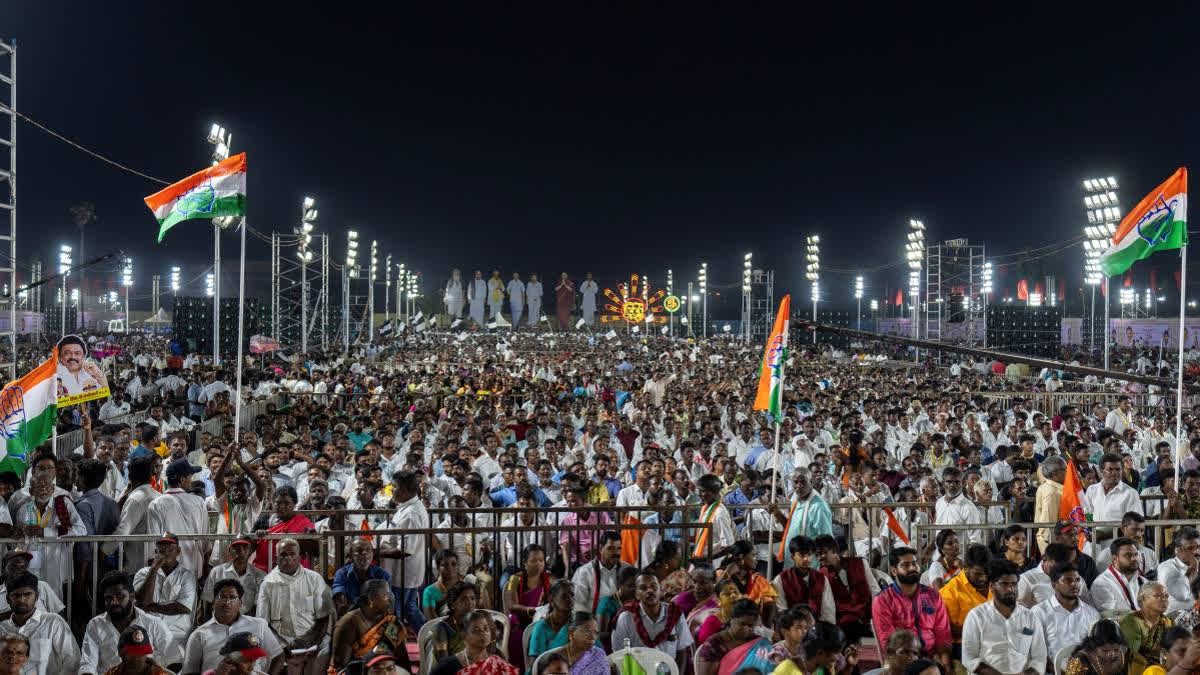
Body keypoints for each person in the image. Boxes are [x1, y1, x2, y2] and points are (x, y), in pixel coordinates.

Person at [256, 538, 333, 675]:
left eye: (292, 554)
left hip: (312, 636)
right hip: (281, 639)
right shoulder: (268, 583)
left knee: (325, 649)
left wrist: (311, 643)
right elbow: (263, 624)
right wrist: (282, 647)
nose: (288, 558)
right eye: (283, 555)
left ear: (300, 557)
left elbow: (324, 618)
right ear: (276, 558)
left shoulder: (314, 579)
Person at [961, 559, 1047, 675]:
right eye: (1004, 584)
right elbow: (969, 658)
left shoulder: (1030, 617)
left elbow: (1039, 658)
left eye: (1014, 584)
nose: (1011, 589)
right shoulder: (976, 616)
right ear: (991, 586)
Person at [82, 571, 178, 675]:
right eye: (108, 598)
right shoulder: (96, 625)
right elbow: (88, 665)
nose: (114, 602)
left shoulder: (153, 623)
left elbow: (175, 660)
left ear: (132, 596)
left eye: (120, 596)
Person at [871, 547, 952, 668]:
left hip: (932, 659)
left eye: (914, 564)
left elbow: (942, 633)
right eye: (905, 565)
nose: (912, 568)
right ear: (894, 571)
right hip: (902, 660)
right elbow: (888, 641)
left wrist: (945, 664)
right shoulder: (883, 600)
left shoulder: (933, 595)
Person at [182, 578, 282, 675]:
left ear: (240, 603)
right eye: (222, 597)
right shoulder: (199, 635)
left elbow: (278, 657)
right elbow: (189, 671)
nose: (227, 602)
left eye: (232, 597)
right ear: (213, 603)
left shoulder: (259, 625)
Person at [610, 571, 694, 673]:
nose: (650, 591)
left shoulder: (675, 614)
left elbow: (682, 651)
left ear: (661, 591)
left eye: (654, 586)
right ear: (636, 594)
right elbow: (619, 655)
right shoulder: (626, 617)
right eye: (643, 588)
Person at [0, 572, 80, 674]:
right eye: (15, 595)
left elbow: (72, 661)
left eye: (27, 594)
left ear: (37, 596)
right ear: (7, 599)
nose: (21, 599)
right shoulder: (2, 628)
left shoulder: (53, 622)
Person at [380, 469, 429, 631]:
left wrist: (377, 552)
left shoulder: (411, 514)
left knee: (400, 611)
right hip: (405, 571)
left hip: (405, 572)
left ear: (406, 490)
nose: (391, 490)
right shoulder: (408, 506)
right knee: (408, 608)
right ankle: (429, 639)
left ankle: (399, 645)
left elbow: (405, 550)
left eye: (394, 487)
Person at [134, 533, 197, 656]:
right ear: (156, 551)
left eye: (170, 548)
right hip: (147, 631)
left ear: (178, 551)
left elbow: (183, 607)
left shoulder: (186, 576)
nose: (165, 552)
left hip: (176, 632)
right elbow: (143, 601)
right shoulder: (142, 573)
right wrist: (154, 569)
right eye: (162, 548)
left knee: (175, 662)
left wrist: (151, 606)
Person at [148, 458, 210, 581]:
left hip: (165, 567)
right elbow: (205, 540)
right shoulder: (198, 501)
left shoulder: (155, 504)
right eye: (190, 477)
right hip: (193, 566)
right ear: (182, 479)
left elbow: (152, 542)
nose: (191, 481)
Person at [1033, 562, 1100, 673]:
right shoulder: (1039, 612)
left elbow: (1096, 650)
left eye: (1077, 580)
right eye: (1068, 580)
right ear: (1054, 585)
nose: (1074, 584)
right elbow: (1035, 653)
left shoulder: (1092, 614)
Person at [814, 533, 878, 642]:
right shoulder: (821, 575)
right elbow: (827, 607)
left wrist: (876, 618)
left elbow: (875, 592)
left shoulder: (860, 563)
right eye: (817, 555)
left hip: (867, 619)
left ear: (834, 550)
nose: (820, 558)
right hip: (845, 625)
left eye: (822, 553)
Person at [330, 578, 403, 674]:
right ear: (371, 599)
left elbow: (397, 656)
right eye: (385, 595)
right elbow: (343, 665)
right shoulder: (349, 623)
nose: (389, 599)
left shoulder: (391, 621)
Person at [770, 469, 833, 568]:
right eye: (795, 482)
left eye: (803, 482)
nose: (799, 486)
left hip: (808, 563)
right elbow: (790, 527)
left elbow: (826, 540)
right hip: (791, 560)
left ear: (810, 482)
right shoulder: (795, 498)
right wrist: (777, 513)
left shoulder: (818, 506)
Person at [504, 544, 551, 671]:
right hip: (519, 622)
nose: (539, 564)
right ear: (525, 562)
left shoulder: (547, 579)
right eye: (534, 561)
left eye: (541, 560)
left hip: (539, 620)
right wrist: (530, 610)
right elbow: (511, 605)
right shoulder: (514, 579)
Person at [694, 599, 772, 675]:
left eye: (750, 626)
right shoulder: (714, 645)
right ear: (731, 619)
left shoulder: (758, 642)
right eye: (742, 624)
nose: (746, 629)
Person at [429, 609, 518, 675]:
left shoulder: (497, 662)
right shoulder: (449, 665)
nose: (483, 633)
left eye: (486, 628)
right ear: (464, 636)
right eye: (476, 630)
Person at [770, 536, 835, 624]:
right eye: (802, 555)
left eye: (809, 555)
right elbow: (781, 611)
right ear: (793, 557)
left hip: (818, 627)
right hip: (792, 626)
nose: (806, 559)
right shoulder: (781, 579)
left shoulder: (822, 578)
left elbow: (828, 610)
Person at [254, 486, 317, 573]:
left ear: (294, 504)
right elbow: (253, 543)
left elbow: (314, 550)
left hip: (296, 572)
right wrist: (261, 534)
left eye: (286, 503)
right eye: (278, 503)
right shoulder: (265, 520)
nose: (282, 506)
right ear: (273, 503)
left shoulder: (304, 523)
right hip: (267, 572)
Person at [937, 543, 991, 645]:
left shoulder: (996, 583)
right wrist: (984, 633)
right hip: (964, 645)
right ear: (965, 568)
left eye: (987, 573)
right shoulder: (949, 592)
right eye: (978, 574)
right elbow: (949, 629)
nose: (983, 578)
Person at [201, 537, 265, 619]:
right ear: (230, 551)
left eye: (245, 548)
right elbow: (208, 601)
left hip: (248, 620)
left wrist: (244, 622)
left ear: (250, 552)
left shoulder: (259, 575)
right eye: (236, 548)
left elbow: (258, 606)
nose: (241, 552)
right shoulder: (217, 572)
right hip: (221, 621)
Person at [116, 455, 160, 573]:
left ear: (130, 476)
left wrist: (103, 552)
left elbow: (122, 532)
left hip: (136, 566)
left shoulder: (136, 499)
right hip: (155, 562)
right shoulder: (159, 496)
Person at [571, 531, 632, 615]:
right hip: (593, 623)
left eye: (619, 548)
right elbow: (578, 604)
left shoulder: (627, 569)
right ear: (600, 549)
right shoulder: (584, 572)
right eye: (611, 548)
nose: (616, 553)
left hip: (622, 622)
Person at [1119, 581, 1174, 675]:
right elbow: (1132, 657)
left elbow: (1173, 650)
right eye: (1157, 596)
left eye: (1166, 596)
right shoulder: (1131, 621)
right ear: (1143, 599)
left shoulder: (1168, 622)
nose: (1164, 599)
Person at [336, 539, 394, 618]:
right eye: (359, 551)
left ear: (373, 554)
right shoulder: (342, 574)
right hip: (352, 618)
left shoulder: (383, 575)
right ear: (351, 557)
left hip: (376, 618)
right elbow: (341, 602)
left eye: (368, 550)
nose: (364, 554)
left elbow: (388, 604)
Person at [1092, 537, 1147, 616]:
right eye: (1128, 555)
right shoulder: (1101, 583)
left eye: (1135, 554)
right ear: (1115, 558)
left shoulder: (1143, 581)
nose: (1134, 558)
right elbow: (1110, 615)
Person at [529, 579, 575, 663]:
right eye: (564, 596)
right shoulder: (541, 628)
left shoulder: (579, 624)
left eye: (572, 595)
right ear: (551, 599)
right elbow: (535, 664)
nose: (570, 599)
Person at [1157, 527, 1200, 615]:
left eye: (1198, 547)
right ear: (1177, 550)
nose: (1197, 552)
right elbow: (1182, 594)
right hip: (1175, 617)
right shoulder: (1166, 567)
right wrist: (1193, 567)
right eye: (1190, 548)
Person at [1063, 619, 1129, 675]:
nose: (1112, 654)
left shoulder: (1123, 654)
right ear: (1094, 647)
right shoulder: (1079, 661)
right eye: (1105, 651)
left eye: (1116, 649)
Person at [104, 624, 175, 675]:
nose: (137, 658)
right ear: (122, 653)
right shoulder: (111, 673)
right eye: (132, 653)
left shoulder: (159, 673)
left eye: (141, 653)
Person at [696, 578, 746, 645]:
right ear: (718, 601)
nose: (733, 596)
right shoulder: (712, 622)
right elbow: (704, 648)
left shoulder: (747, 616)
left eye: (736, 592)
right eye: (727, 594)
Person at [673, 564, 717, 638]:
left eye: (703, 582)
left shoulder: (719, 602)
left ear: (714, 581)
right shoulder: (683, 599)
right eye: (694, 581)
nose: (697, 587)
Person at [1034, 456, 1067, 552]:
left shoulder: (1045, 487)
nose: (1067, 472)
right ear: (1054, 474)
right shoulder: (1052, 492)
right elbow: (1049, 523)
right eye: (1064, 469)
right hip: (1052, 542)